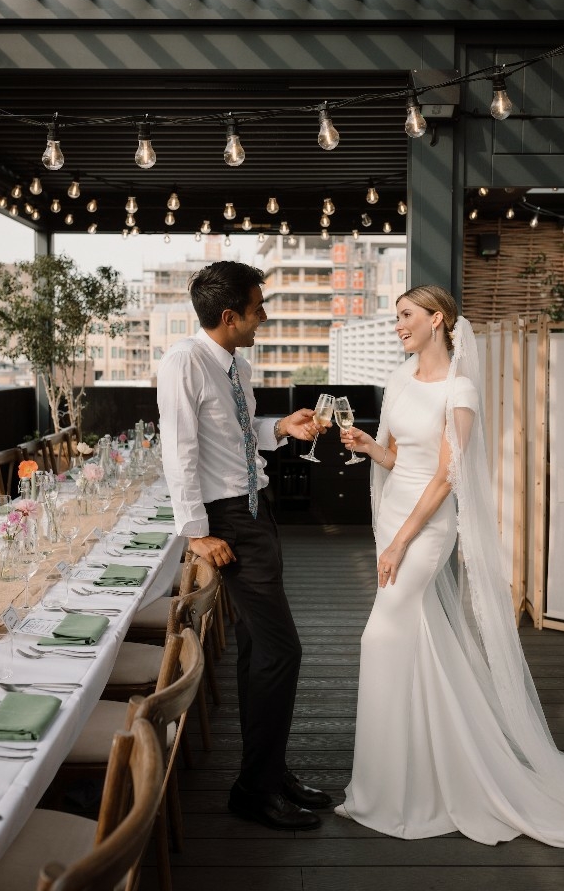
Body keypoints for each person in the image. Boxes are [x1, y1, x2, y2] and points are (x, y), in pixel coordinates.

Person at [334, 284, 564, 849]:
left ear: (437, 319)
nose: (398, 324)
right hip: (393, 514)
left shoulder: (459, 388)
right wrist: (368, 446)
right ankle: (416, 774)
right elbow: (397, 456)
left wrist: (400, 543)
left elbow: (445, 476)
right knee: (414, 641)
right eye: (396, 316)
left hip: (425, 527)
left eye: (406, 315)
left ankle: (389, 790)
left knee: (379, 638)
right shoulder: (398, 378)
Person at [156, 260, 332, 831]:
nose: (265, 316)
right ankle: (255, 789)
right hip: (228, 520)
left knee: (260, 647)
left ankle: (267, 773)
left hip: (256, 511)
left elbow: (235, 436)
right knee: (283, 650)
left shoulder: (236, 364)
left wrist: (279, 429)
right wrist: (196, 532)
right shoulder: (184, 362)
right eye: (259, 308)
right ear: (229, 316)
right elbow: (179, 450)